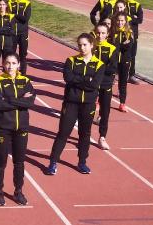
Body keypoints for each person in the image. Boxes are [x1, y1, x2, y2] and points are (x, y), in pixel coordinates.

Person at [46, 33, 104, 175]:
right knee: (63, 133)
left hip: (88, 105)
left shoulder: (100, 65)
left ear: (91, 45)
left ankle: (82, 162)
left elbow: (95, 84)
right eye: (79, 45)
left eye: (85, 44)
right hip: (71, 103)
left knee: (84, 134)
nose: (82, 47)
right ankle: (53, 162)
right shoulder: (71, 61)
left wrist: (79, 80)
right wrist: (86, 80)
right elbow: (68, 78)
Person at [0, 53, 36, 206]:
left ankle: (18, 191)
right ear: (3, 64)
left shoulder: (26, 81)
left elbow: (30, 102)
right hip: (4, 127)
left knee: (19, 161)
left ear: (18, 65)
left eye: (13, 63)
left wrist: (9, 99)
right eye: (7, 63)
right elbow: (0, 104)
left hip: (21, 127)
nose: (10, 66)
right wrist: (20, 100)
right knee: (1, 159)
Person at [92, 23, 118, 150]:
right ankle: (84, 134)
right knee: (88, 109)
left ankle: (102, 137)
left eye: (103, 33)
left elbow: (112, 67)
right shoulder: (91, 47)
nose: (100, 35)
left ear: (107, 35)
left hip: (106, 84)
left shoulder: (112, 48)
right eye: (98, 32)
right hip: (91, 83)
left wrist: (96, 69)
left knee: (105, 111)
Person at [110, 13, 134, 113]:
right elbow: (113, 47)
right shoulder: (112, 32)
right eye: (118, 20)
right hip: (113, 60)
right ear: (115, 21)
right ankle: (100, 101)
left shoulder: (129, 32)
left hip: (125, 61)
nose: (120, 23)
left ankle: (122, 103)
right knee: (108, 81)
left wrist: (119, 46)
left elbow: (128, 47)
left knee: (123, 83)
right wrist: (121, 45)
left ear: (125, 21)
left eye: (122, 21)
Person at [8, 0, 32, 74]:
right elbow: (9, 18)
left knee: (23, 55)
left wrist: (14, 15)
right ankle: (11, 72)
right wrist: (18, 17)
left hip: (23, 33)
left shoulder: (27, 3)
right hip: (13, 33)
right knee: (11, 54)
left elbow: (26, 19)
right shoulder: (10, 3)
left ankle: (23, 74)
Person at [124, 0, 143, 84]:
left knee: (132, 55)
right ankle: (116, 73)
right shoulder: (120, 3)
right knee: (119, 54)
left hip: (133, 34)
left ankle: (131, 75)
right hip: (121, 33)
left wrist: (129, 17)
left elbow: (140, 20)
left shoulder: (137, 5)